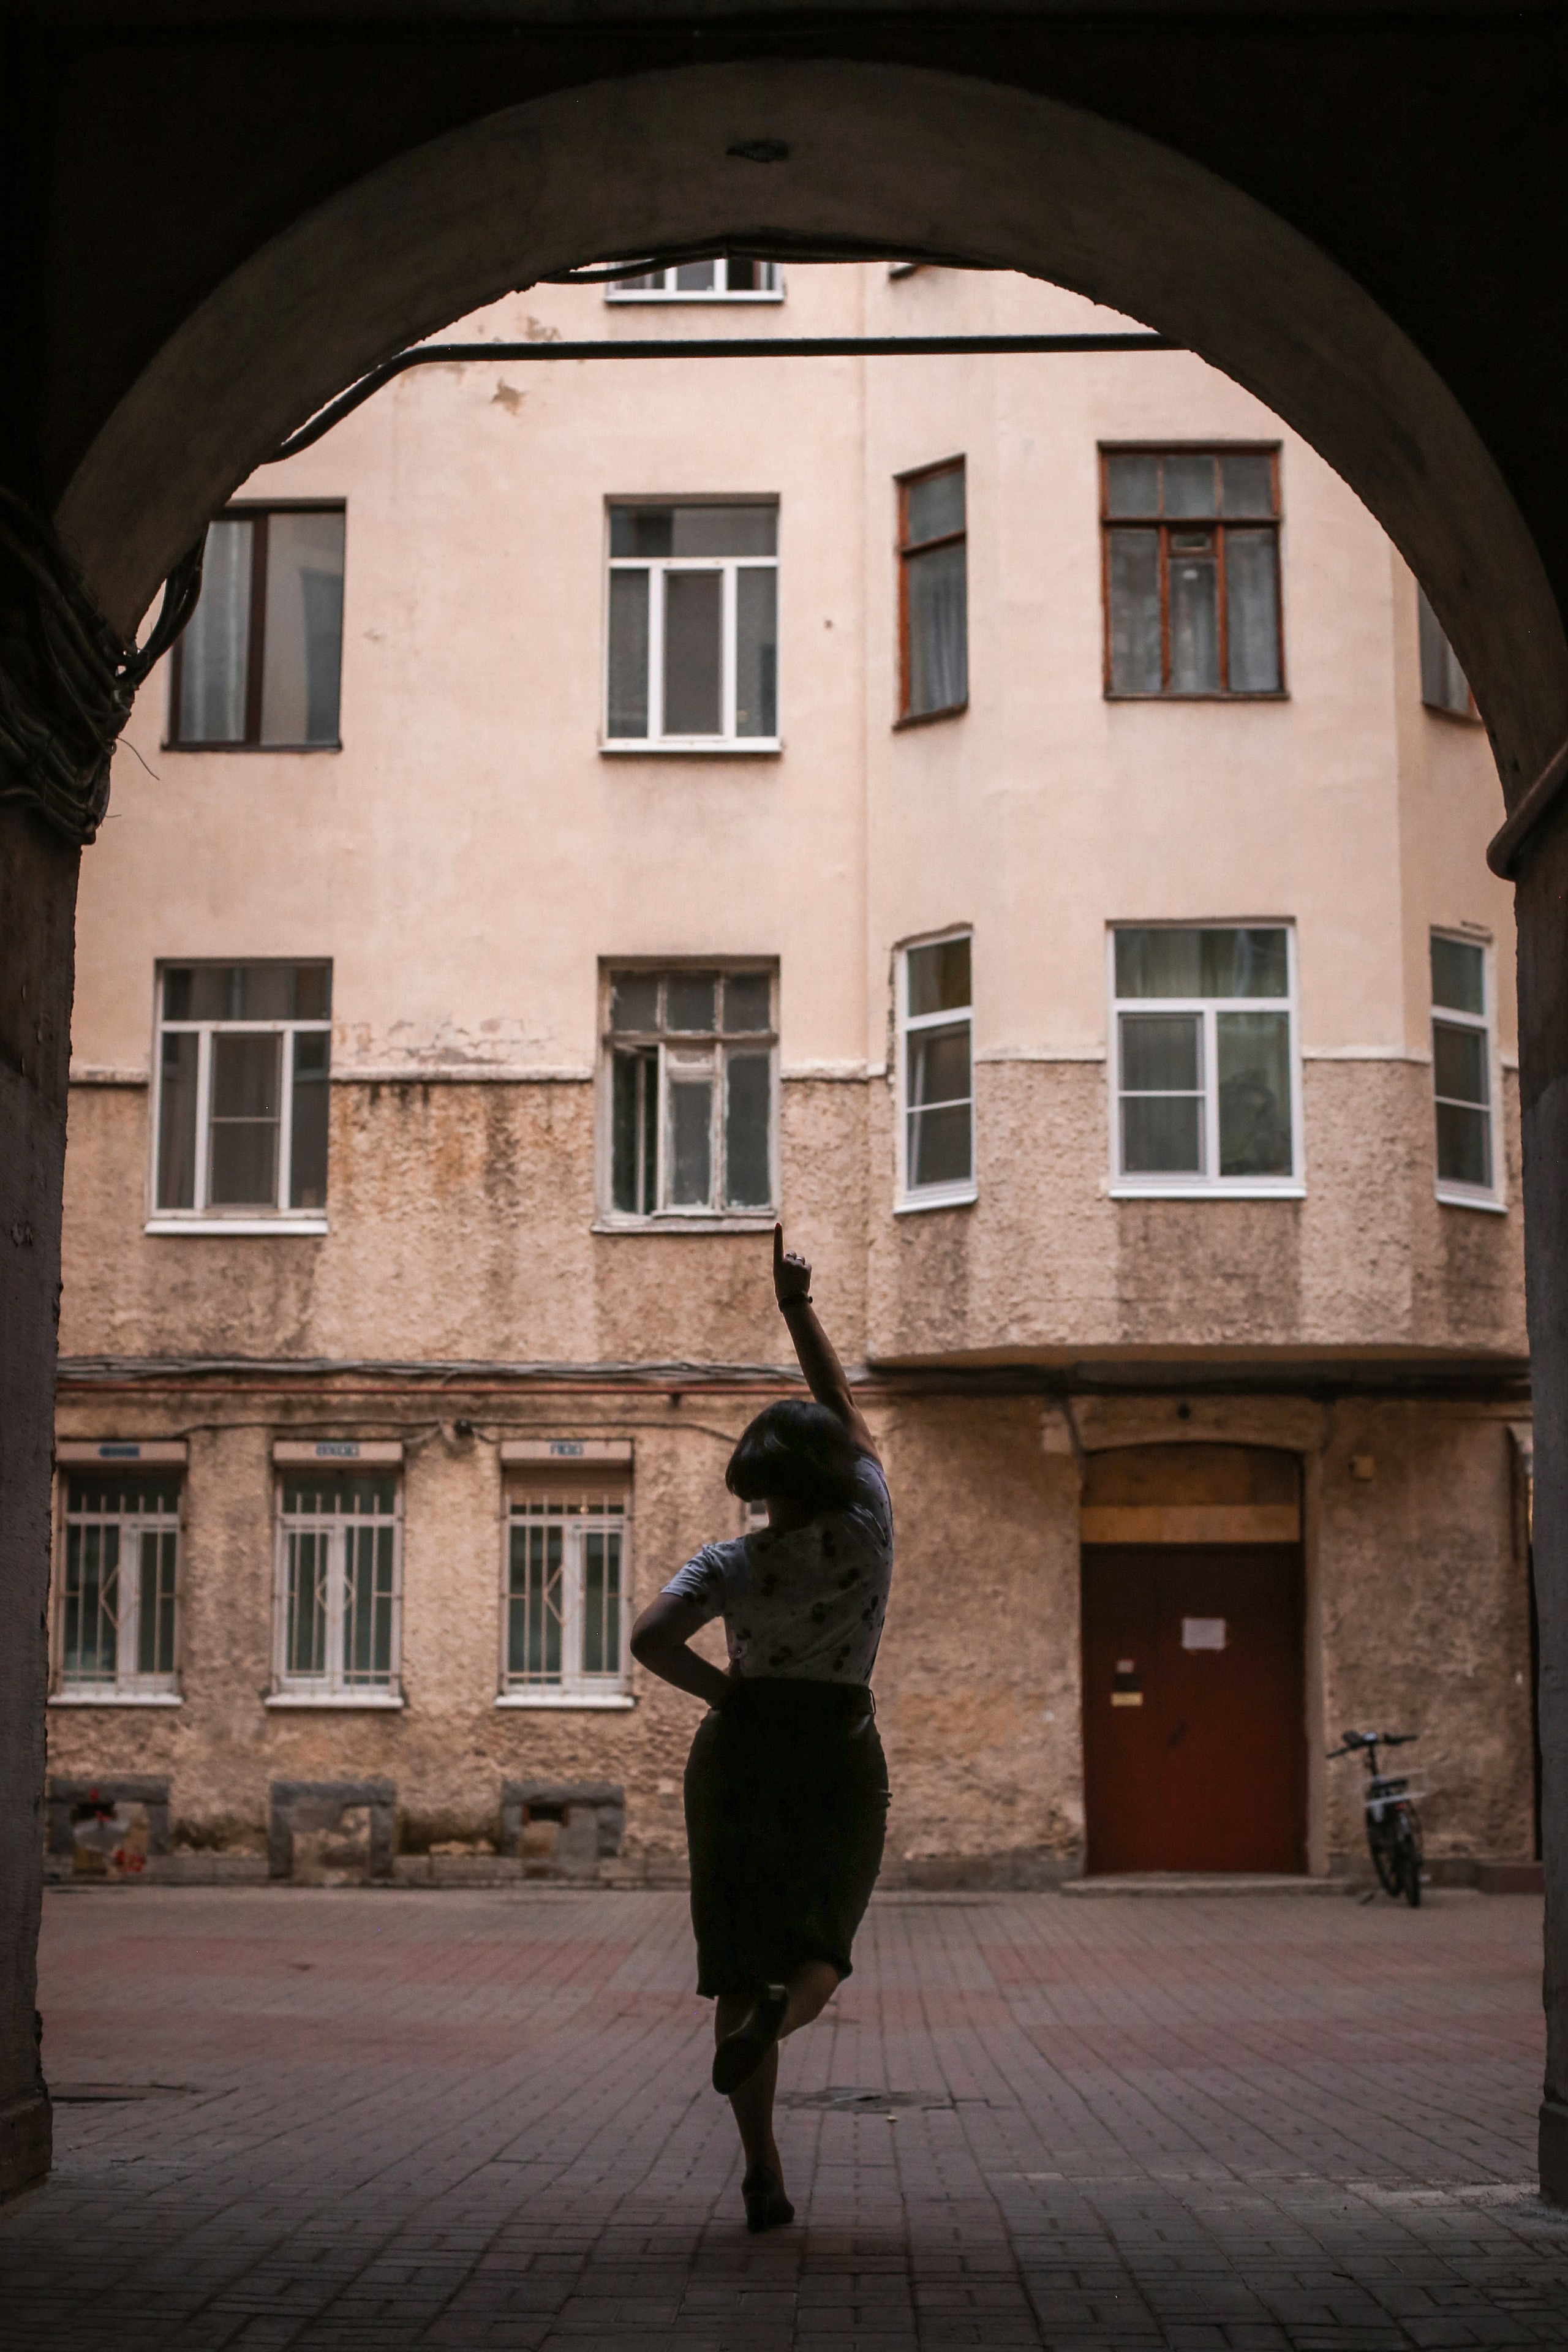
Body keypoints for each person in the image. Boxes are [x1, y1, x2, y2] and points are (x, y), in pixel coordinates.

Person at [630, 1224, 893, 2234]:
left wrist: (721, 1693)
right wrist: (796, 1306)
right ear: (835, 1470)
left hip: (740, 1755)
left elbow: (651, 1638)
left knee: (737, 1964)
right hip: (835, 1750)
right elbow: (845, 1415)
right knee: (819, 1938)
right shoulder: (869, 1526)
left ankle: (764, 2173)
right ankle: (791, 2011)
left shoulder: (731, 1563)